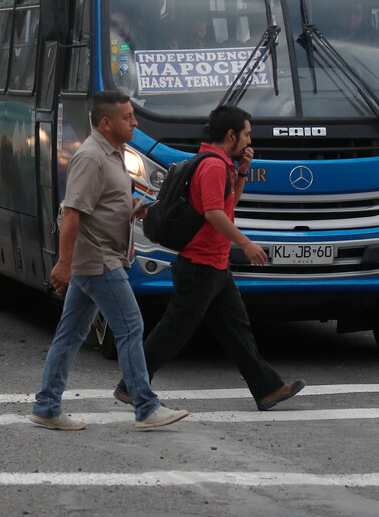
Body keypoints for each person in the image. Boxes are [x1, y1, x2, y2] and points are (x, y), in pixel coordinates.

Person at [115, 104, 304, 411]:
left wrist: (242, 172)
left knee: (237, 332)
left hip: (214, 265)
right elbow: (213, 213)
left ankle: (268, 389)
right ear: (231, 135)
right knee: (174, 330)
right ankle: (131, 385)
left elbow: (228, 204)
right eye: (246, 134)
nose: (249, 141)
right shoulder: (213, 166)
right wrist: (246, 244)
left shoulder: (221, 164)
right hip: (199, 266)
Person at [31, 90, 189, 431]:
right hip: (98, 258)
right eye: (127, 117)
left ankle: (46, 405)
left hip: (102, 256)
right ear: (106, 123)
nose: (135, 122)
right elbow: (72, 212)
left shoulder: (115, 152)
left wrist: (131, 206)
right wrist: (63, 263)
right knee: (131, 326)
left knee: (70, 333)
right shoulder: (91, 157)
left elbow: (105, 201)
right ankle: (145, 406)